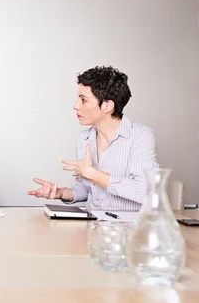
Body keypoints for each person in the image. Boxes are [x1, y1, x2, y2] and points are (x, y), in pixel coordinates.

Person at [27, 66, 159, 211]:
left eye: (83, 100)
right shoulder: (84, 139)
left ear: (107, 105)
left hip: (128, 229)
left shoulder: (140, 136)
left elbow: (145, 192)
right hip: (93, 226)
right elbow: (87, 191)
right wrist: (60, 193)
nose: (75, 106)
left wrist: (92, 173)